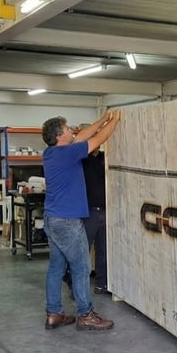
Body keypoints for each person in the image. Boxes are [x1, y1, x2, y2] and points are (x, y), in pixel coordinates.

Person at [40, 110, 121, 331]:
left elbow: (82, 137)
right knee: (81, 267)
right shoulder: (68, 153)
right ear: (59, 136)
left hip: (52, 219)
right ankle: (86, 315)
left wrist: (103, 119)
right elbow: (98, 139)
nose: (72, 131)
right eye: (68, 129)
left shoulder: (51, 152)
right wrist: (115, 121)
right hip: (68, 221)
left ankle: (54, 314)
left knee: (56, 268)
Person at [81, 147, 109, 294]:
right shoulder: (83, 159)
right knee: (82, 251)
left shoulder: (105, 157)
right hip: (89, 212)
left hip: (106, 210)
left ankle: (101, 284)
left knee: (103, 250)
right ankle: (78, 287)